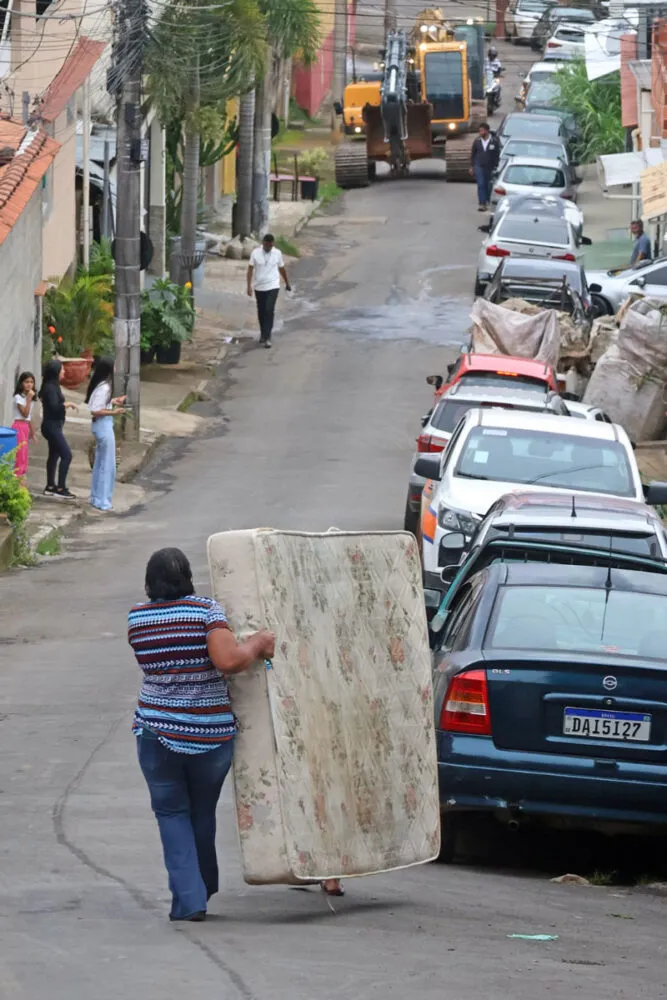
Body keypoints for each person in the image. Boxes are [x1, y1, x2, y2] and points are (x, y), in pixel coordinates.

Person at [85, 357, 127, 512]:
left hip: (100, 425)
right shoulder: (105, 388)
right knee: (107, 465)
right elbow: (95, 410)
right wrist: (114, 411)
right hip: (103, 426)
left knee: (100, 463)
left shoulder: (101, 386)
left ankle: (96, 497)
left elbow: (99, 404)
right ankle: (103, 500)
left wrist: (114, 401)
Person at [38, 359, 78, 500]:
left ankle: (50, 486)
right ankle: (61, 487)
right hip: (51, 426)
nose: (64, 371)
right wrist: (67, 404)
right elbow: (54, 406)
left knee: (54, 455)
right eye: (62, 369)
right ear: (56, 372)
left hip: (55, 425)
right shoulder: (50, 388)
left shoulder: (54, 386)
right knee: (66, 455)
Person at [247, 233, 291, 348]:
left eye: (270, 246)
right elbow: (250, 269)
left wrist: (287, 283)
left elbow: (281, 269)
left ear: (273, 244)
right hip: (259, 287)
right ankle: (263, 333)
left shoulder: (277, 253)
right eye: (267, 245)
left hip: (273, 285)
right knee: (261, 311)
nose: (268, 248)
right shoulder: (255, 253)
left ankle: (268, 337)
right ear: (263, 243)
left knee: (269, 309)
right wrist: (248, 286)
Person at [470, 123, 500, 212]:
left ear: (487, 131)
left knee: (488, 184)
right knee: (481, 184)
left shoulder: (494, 141)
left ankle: (487, 201)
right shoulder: (477, 141)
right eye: (479, 131)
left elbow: (497, 155)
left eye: (482, 131)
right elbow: (473, 154)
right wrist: (472, 166)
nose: (480, 133)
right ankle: (482, 203)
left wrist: (496, 166)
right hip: (479, 165)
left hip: (489, 167)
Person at [11, 371, 36, 479]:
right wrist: (29, 399)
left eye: (31, 382)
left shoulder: (28, 398)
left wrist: (33, 433)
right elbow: (25, 414)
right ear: (21, 383)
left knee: (24, 455)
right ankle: (17, 480)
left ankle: (20, 480)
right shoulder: (18, 398)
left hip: (25, 427)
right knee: (20, 455)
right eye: (26, 382)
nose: (29, 384)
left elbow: (29, 418)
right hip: (18, 426)